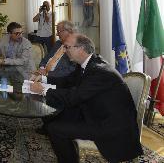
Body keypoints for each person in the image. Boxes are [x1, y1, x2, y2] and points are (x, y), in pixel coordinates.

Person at [30, 34, 143, 163]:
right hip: (96, 111)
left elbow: (74, 97)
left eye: (67, 47)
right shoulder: (87, 64)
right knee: (53, 115)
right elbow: (67, 81)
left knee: (55, 129)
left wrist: (43, 90)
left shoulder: (99, 71)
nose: (64, 51)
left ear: (81, 49)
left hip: (110, 125)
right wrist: (44, 79)